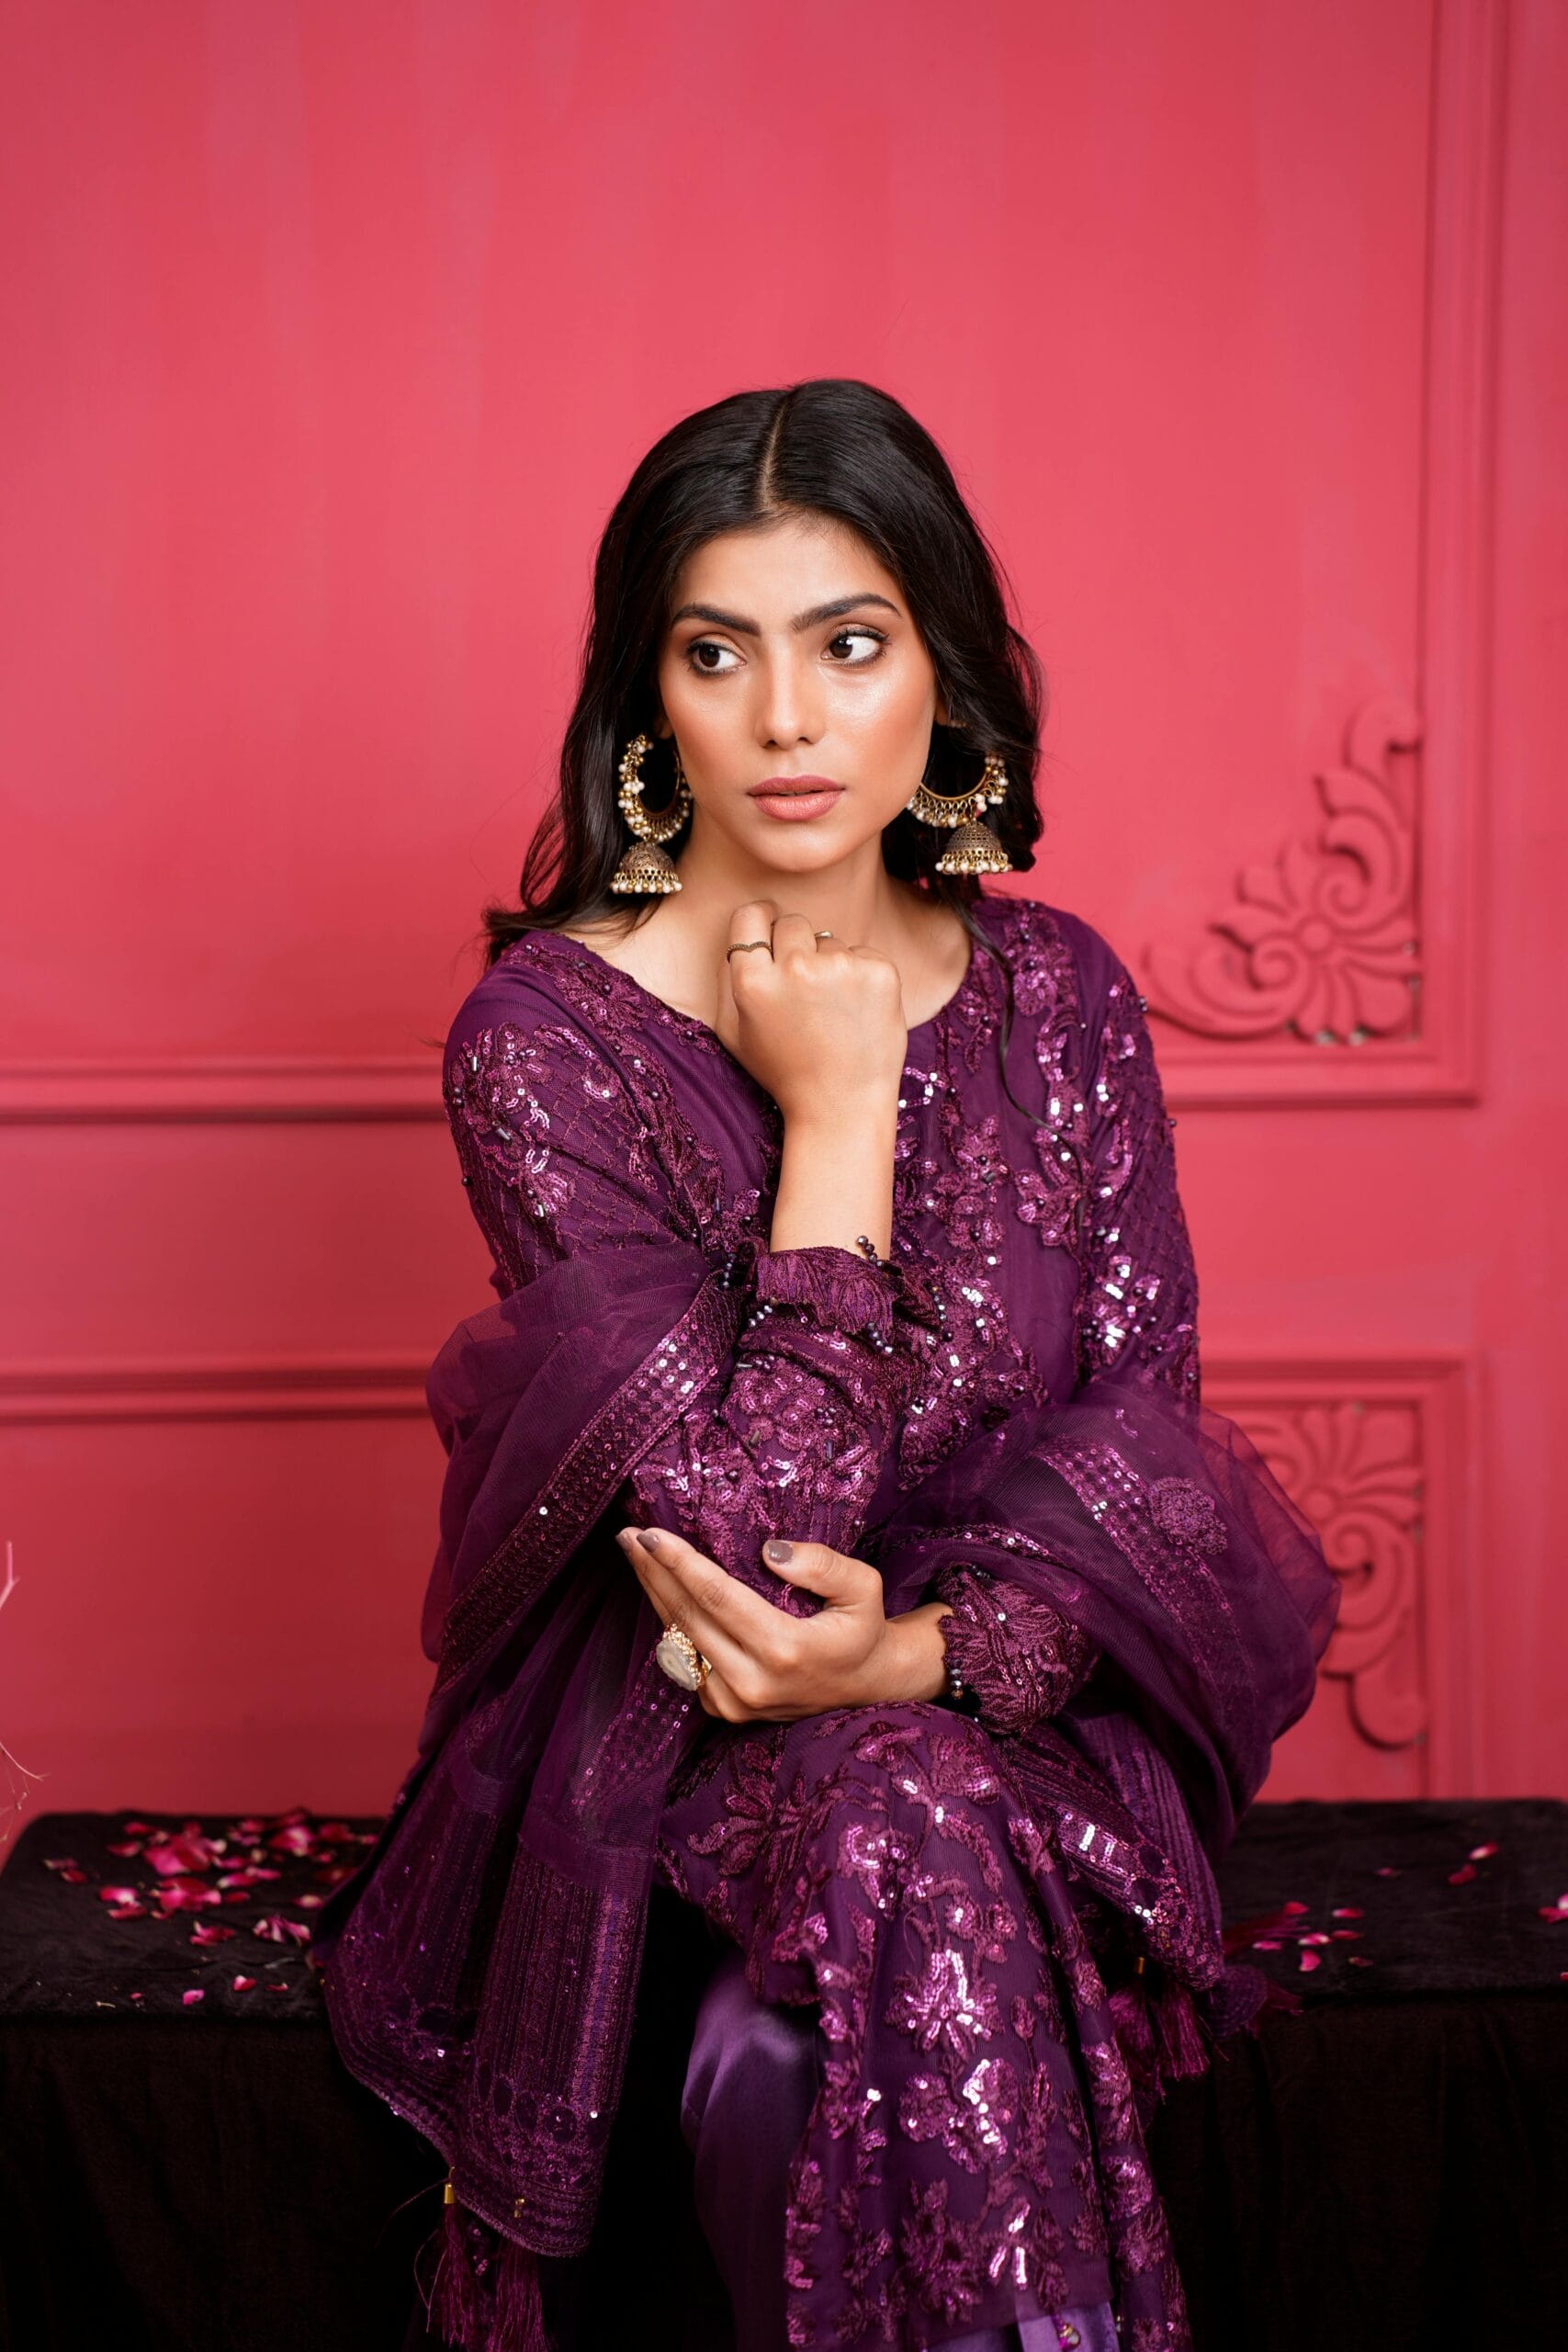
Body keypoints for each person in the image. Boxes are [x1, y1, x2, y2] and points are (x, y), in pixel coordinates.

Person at [309, 379, 1339, 2352]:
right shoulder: (547, 1040)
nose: (786, 720)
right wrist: (841, 1116)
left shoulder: (1059, 1000)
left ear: (939, 676)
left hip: (1015, 1739)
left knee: (907, 1805)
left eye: (847, 645)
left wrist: (921, 1657)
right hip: (655, 1783)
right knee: (883, 1827)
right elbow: (741, 1561)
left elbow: (1138, 1444)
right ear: (649, 702)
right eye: (717, 653)